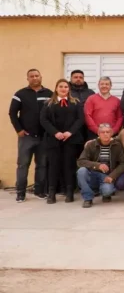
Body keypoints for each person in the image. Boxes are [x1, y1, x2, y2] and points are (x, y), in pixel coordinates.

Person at [9, 68, 53, 202]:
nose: (34, 78)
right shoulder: (20, 94)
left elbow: (53, 113)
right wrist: (19, 130)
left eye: (37, 76)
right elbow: (12, 113)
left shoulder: (49, 93)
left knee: (42, 165)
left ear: (41, 77)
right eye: (31, 76)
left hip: (43, 137)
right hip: (26, 137)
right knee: (23, 165)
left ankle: (39, 191)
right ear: (27, 78)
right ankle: (20, 193)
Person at [39, 79, 85, 204]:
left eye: (66, 86)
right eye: (61, 86)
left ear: (69, 89)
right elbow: (43, 120)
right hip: (53, 140)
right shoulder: (48, 103)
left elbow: (80, 119)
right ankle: (52, 193)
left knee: (69, 166)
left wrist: (69, 132)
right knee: (53, 166)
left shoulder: (75, 103)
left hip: (70, 140)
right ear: (56, 88)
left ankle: (69, 192)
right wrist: (56, 133)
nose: (63, 88)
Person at [77, 124, 124, 208]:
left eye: (107, 132)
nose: (105, 134)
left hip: (107, 175)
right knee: (81, 171)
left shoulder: (117, 145)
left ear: (111, 133)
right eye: (102, 132)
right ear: (98, 134)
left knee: (107, 191)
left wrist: (112, 176)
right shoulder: (91, 145)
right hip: (92, 173)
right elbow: (80, 161)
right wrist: (97, 165)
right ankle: (88, 198)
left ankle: (104, 193)